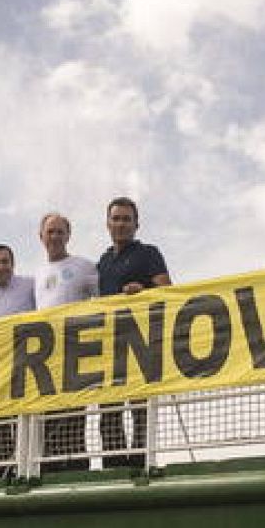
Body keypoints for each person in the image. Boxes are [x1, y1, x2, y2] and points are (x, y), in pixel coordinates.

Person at [96, 197, 170, 469]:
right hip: (109, 346)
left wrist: (143, 292)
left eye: (126, 219)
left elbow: (167, 290)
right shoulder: (102, 262)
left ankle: (141, 464)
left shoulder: (149, 253)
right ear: (107, 224)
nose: (121, 224)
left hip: (142, 343)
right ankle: (114, 466)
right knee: (109, 412)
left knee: (141, 410)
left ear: (136, 224)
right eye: (116, 219)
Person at [34, 212, 98, 472]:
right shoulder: (37, 275)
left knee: (73, 416)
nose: (55, 237)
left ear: (68, 235)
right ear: (41, 237)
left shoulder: (85, 266)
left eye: (60, 232)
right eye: (50, 232)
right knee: (48, 416)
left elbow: (102, 300)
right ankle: (47, 468)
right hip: (45, 357)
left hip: (75, 352)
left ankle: (76, 468)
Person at [0, 243, 35, 477]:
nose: (1, 267)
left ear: (13, 263)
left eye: (5, 262)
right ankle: (4, 465)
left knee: (27, 415)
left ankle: (27, 463)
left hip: (28, 362)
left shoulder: (30, 284)